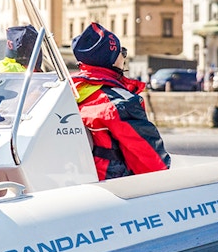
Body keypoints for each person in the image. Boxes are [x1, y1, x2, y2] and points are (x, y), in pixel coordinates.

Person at [70, 22, 170, 180]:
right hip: (116, 185)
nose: (124, 56)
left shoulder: (71, 91)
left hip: (83, 178)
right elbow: (151, 160)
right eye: (121, 51)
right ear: (110, 60)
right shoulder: (120, 103)